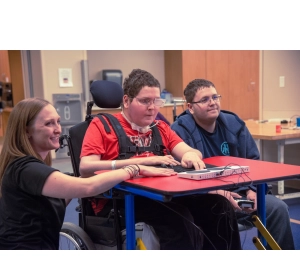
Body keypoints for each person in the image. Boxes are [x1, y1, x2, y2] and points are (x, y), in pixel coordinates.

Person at [79, 68, 242, 250]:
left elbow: (189, 151)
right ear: (126, 100)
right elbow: (86, 167)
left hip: (161, 195)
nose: (152, 108)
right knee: (178, 219)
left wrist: (190, 155)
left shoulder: (160, 127)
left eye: (156, 101)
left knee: (219, 206)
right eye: (145, 101)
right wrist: (140, 163)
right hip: (118, 201)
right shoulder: (102, 125)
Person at [0, 98, 178, 250]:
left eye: (58, 121)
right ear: (26, 130)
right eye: (48, 124)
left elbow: (60, 197)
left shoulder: (29, 168)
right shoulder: (25, 168)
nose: (58, 129)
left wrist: (88, 177)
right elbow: (87, 187)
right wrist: (134, 168)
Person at [171, 78, 295, 250]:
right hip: (207, 198)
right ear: (190, 107)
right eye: (205, 100)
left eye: (215, 97)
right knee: (219, 210)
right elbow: (179, 177)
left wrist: (251, 190)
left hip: (242, 193)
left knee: (277, 208)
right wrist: (217, 192)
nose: (212, 103)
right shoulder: (179, 131)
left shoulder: (234, 124)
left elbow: (253, 162)